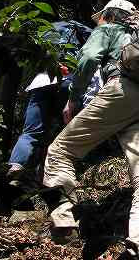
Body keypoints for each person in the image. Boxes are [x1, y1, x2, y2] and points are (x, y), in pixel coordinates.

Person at [42, 0, 139, 258]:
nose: (97, 20)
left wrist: (74, 98)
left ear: (109, 15)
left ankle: (64, 217)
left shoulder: (109, 29)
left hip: (122, 91)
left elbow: (88, 58)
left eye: (100, 16)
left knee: (60, 150)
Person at [6, 21, 96, 192]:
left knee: (31, 132)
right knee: (66, 131)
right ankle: (57, 175)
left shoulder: (43, 32)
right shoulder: (76, 28)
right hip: (67, 80)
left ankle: (17, 165)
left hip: (41, 82)